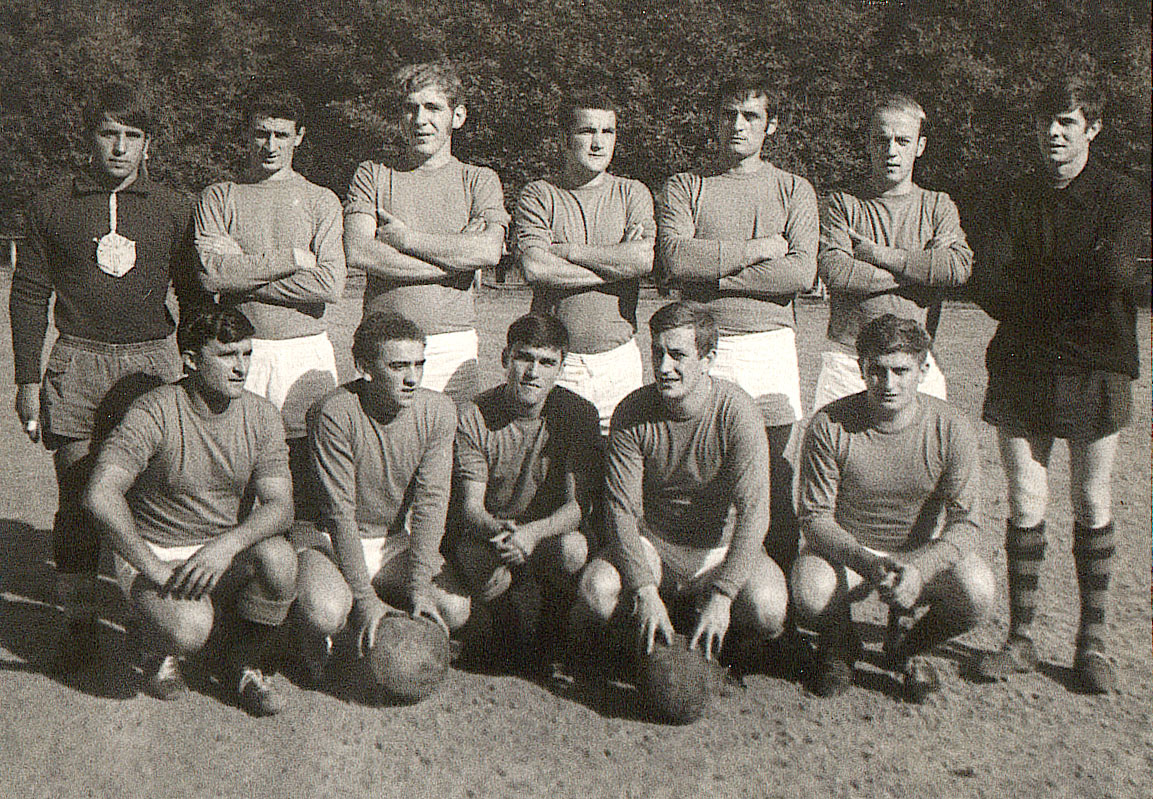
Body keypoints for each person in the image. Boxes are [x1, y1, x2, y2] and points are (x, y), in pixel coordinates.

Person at [9, 82, 200, 672]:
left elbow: (194, 295)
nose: (120, 147)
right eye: (108, 133)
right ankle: (79, 626)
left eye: (132, 136)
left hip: (152, 365)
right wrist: (27, 380)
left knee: (152, 499)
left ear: (149, 144)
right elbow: (29, 293)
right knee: (78, 498)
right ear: (89, 137)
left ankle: (156, 633)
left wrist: (194, 369)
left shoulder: (174, 207)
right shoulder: (52, 204)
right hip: (79, 363)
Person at [969, 78, 1147, 694]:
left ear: (1092, 127)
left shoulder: (1121, 195)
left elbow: (1114, 273)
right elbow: (987, 284)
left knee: (1092, 501)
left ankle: (1091, 645)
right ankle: (1020, 639)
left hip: (1098, 363)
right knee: (1025, 500)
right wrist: (1070, 281)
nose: (1053, 132)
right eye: (1046, 120)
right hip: (1022, 362)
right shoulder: (1013, 194)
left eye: (1068, 121)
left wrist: (1033, 282)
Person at [83, 305, 298, 716]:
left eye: (247, 354)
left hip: (218, 550)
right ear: (192, 361)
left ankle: (243, 663)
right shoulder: (155, 410)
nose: (241, 367)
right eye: (227, 355)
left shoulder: (261, 414)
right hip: (160, 551)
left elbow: (281, 506)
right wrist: (154, 569)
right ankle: (152, 642)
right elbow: (100, 495)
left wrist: (227, 546)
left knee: (280, 560)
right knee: (189, 628)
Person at [656, 73, 817, 593]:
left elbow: (800, 272)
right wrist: (758, 249)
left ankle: (775, 607)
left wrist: (714, 276)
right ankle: (693, 591)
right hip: (703, 348)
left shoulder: (794, 188)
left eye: (751, 116)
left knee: (772, 475)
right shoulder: (686, 185)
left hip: (768, 344)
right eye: (729, 114)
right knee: (702, 469)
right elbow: (676, 257)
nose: (738, 125)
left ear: (772, 125)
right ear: (715, 119)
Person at [575, 302, 788, 681]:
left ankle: (731, 645)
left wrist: (723, 594)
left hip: (718, 548)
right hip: (658, 544)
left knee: (768, 608)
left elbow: (755, 513)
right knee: (597, 590)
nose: (664, 367)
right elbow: (621, 510)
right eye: (657, 353)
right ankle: (638, 640)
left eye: (678, 355)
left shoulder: (738, 412)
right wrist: (643, 589)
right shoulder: (633, 412)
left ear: (708, 359)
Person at [792, 314, 994, 700]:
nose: (888, 384)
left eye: (901, 371)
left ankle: (908, 646)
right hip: (853, 553)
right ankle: (840, 642)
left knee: (978, 591)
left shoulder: (951, 427)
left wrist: (921, 569)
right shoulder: (830, 424)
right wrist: (867, 562)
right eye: (877, 371)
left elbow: (967, 523)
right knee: (809, 588)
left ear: (923, 369)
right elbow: (815, 517)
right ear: (861, 369)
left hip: (919, 555)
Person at [290, 313, 470, 683]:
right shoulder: (334, 411)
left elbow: (432, 502)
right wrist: (365, 599)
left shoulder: (438, 410)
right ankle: (310, 631)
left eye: (419, 364)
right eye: (398, 366)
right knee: (325, 612)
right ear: (364, 368)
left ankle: (375, 618)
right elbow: (338, 512)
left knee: (454, 608)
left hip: (390, 539)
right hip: (327, 539)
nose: (412, 378)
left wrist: (420, 586)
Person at [193, 89, 345, 520]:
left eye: (281, 134)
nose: (270, 145)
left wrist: (242, 270)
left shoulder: (320, 199)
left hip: (303, 351)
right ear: (246, 134)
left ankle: (302, 554)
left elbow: (330, 284)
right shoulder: (219, 196)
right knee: (234, 466)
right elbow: (211, 276)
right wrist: (291, 259)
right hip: (242, 351)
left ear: (300, 136)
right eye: (261, 133)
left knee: (307, 471)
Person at [343, 60, 508, 406]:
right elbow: (359, 251)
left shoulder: (479, 180)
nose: (419, 119)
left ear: (457, 116)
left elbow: (488, 251)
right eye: (410, 108)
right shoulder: (372, 174)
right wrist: (456, 262)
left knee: (452, 437)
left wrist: (407, 240)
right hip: (383, 347)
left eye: (433, 107)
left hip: (452, 344)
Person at [447, 313, 601, 671]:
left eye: (546, 362)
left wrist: (532, 534)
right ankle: (504, 623)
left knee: (573, 549)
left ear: (561, 367)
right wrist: (500, 531)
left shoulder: (578, 414)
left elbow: (577, 506)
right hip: (493, 532)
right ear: (505, 358)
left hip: (545, 533)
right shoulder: (473, 415)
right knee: (475, 561)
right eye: (524, 358)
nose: (533, 372)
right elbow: (471, 506)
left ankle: (553, 625)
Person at [814, 94, 973, 411]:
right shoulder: (843, 204)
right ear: (869, 143)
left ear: (920, 146)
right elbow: (836, 271)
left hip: (917, 362)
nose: (891, 151)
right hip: (848, 362)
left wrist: (878, 255)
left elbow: (956, 267)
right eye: (881, 139)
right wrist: (921, 271)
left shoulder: (937, 205)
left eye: (902, 141)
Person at [516, 89, 655, 436]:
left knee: (619, 456)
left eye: (607, 132)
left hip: (618, 358)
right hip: (556, 359)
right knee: (554, 458)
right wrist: (616, 263)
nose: (598, 143)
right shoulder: (540, 193)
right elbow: (536, 267)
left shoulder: (632, 192)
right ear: (565, 139)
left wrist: (569, 251)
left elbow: (642, 260)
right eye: (586, 131)